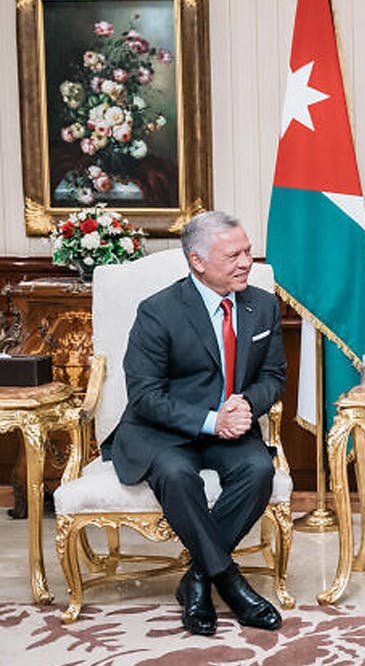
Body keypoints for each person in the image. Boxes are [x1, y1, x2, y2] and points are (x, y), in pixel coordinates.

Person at [104, 211, 286, 635]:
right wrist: (210, 420)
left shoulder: (263, 305)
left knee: (258, 470)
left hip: (231, 426)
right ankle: (231, 582)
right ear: (198, 261)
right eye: (233, 255)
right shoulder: (158, 312)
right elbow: (145, 396)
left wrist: (245, 405)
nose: (246, 263)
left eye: (247, 251)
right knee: (177, 474)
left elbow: (274, 377)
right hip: (162, 430)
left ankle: (198, 579)